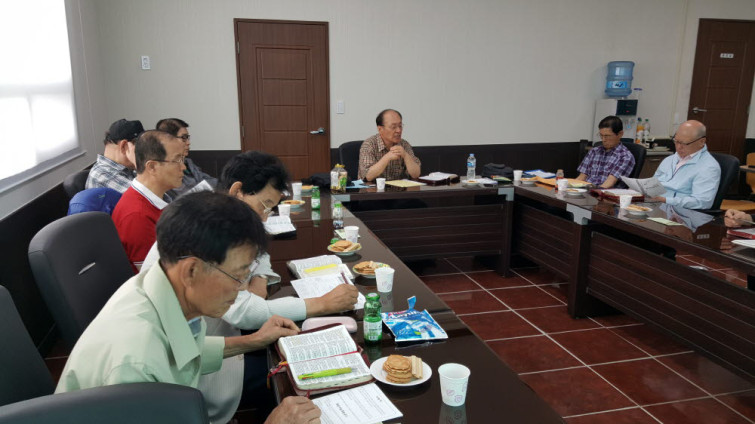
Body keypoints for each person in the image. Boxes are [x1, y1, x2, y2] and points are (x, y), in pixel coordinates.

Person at [56, 191, 321, 423]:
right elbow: (158, 360)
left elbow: (183, 349)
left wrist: (253, 340)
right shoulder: (135, 366)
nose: (241, 288)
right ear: (191, 270)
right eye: (238, 275)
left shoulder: (159, 286)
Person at [141, 151, 358, 423]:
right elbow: (242, 310)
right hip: (201, 389)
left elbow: (188, 347)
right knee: (289, 375)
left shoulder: (212, 220)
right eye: (264, 206)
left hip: (210, 347)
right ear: (237, 191)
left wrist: (254, 330)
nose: (265, 218)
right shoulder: (138, 362)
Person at [111, 130, 185, 271]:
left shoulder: (158, 198)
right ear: (152, 167)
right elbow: (154, 275)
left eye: (182, 159)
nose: (183, 167)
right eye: (177, 161)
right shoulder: (137, 216)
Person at [648, 120, 720, 209]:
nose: (679, 147)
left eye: (685, 143)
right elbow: (653, 184)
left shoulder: (709, 167)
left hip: (680, 212)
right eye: (676, 141)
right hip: (655, 205)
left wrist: (665, 200)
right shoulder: (670, 159)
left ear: (702, 141)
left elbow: (701, 202)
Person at [156, 118, 218, 197]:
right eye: (184, 138)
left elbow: (211, 181)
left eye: (187, 138)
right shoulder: (163, 167)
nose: (188, 143)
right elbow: (180, 196)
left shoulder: (188, 162)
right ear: (168, 139)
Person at [358, 109, 421, 181]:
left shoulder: (404, 144)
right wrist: (387, 157)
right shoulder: (369, 145)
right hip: (373, 187)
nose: (399, 130)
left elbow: (416, 174)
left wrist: (405, 155)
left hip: (397, 187)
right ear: (380, 129)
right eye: (393, 127)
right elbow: (368, 176)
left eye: (400, 126)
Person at [576, 115, 635, 188]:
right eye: (601, 135)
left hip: (606, 192)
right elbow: (581, 178)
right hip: (587, 190)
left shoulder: (625, 157)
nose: (603, 139)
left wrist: (593, 192)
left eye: (607, 136)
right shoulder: (594, 152)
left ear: (620, 134)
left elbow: (609, 183)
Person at [85, 119, 143, 192]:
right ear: (124, 146)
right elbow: (148, 196)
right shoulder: (104, 176)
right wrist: (140, 164)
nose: (144, 152)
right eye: (142, 147)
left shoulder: (125, 167)